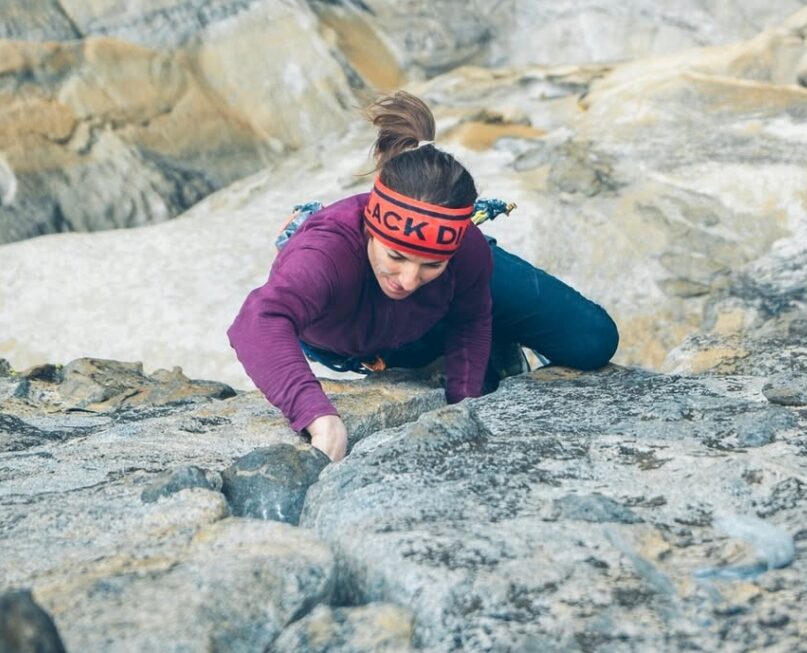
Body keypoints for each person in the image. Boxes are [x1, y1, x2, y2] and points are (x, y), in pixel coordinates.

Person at [228, 92, 618, 461]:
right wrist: (318, 416)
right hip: (372, 330)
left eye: (428, 263)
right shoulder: (324, 256)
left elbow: (470, 317)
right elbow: (256, 322)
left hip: (460, 276)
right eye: (396, 256)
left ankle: (454, 267)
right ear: (371, 229)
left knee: (593, 340)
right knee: (419, 350)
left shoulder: (465, 251)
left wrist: (466, 406)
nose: (409, 278)